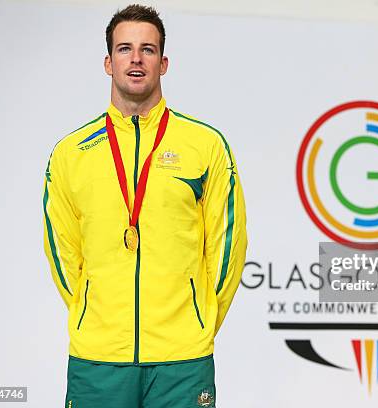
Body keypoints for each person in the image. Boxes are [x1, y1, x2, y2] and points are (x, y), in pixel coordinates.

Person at [42, 4, 247, 407]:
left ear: (163, 62)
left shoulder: (205, 145)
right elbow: (62, 250)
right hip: (98, 359)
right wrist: (90, 310)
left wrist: (198, 322)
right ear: (108, 62)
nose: (136, 59)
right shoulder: (70, 153)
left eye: (147, 50)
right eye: (124, 49)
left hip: (182, 361)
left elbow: (226, 248)